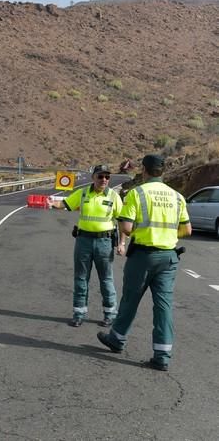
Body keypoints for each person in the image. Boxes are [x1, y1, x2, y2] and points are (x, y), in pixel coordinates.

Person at [97, 154, 191, 371]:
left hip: (143, 256)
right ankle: (162, 355)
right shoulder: (177, 196)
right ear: (163, 171)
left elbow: (127, 228)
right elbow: (187, 230)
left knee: (130, 299)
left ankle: (117, 339)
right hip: (169, 257)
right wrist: (165, 234)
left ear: (144, 170)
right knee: (164, 306)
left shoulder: (137, 193)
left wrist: (143, 231)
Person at [48, 165, 123, 327]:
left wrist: (122, 243)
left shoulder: (113, 196)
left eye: (107, 177)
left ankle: (110, 313)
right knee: (81, 278)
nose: (104, 179)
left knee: (106, 279)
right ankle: (79, 313)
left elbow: (122, 220)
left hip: (104, 242)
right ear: (93, 177)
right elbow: (66, 204)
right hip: (84, 241)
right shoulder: (82, 193)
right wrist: (53, 203)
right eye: (100, 176)